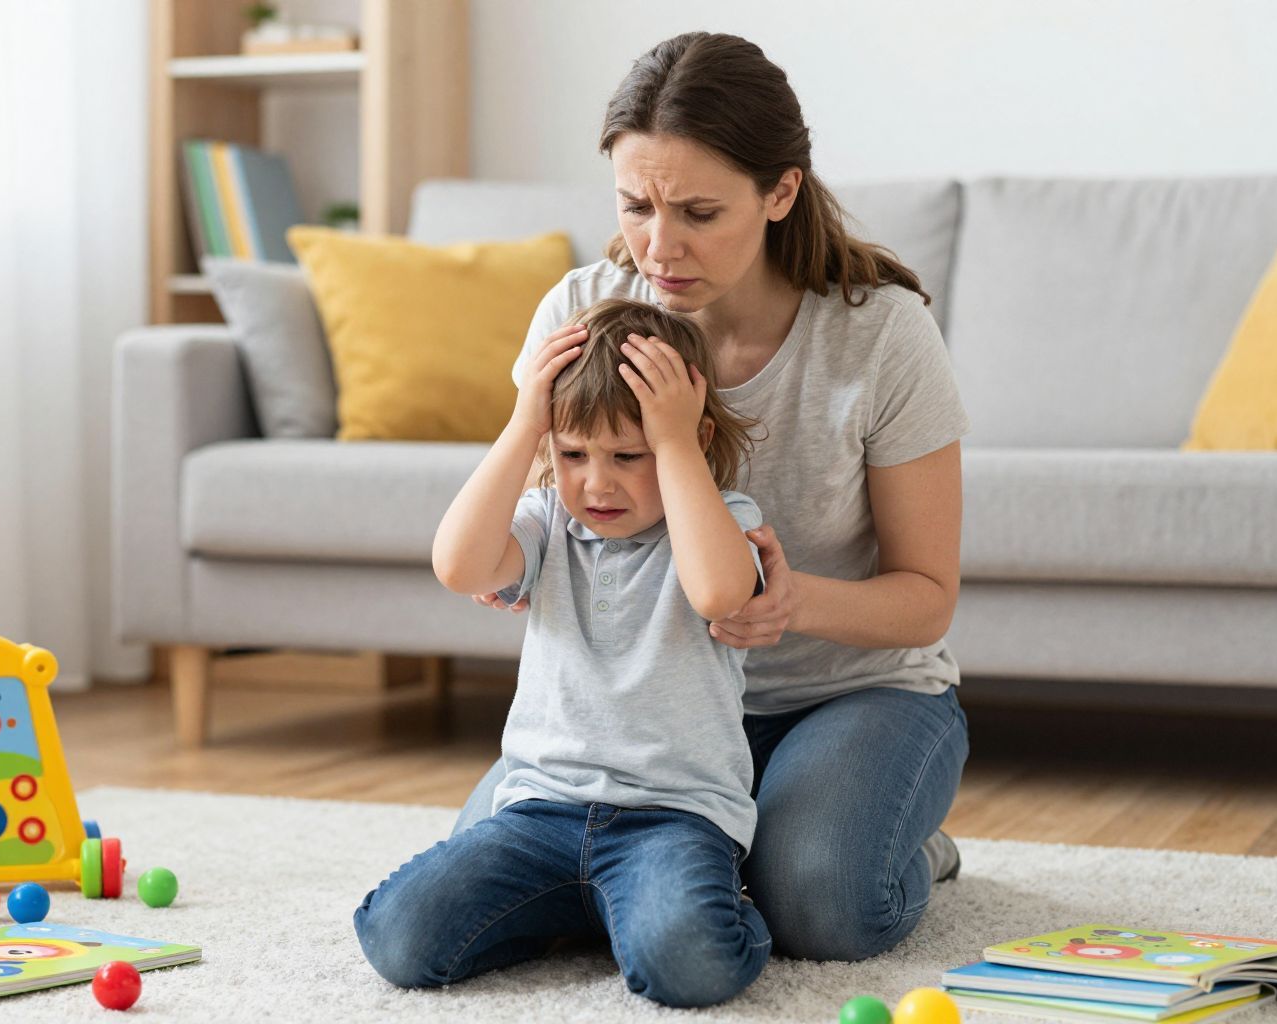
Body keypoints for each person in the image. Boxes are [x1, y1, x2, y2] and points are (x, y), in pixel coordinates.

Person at [457, 30, 972, 963]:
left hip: (848, 695)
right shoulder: (584, 314)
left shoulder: (881, 336)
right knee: (481, 869)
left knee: (817, 903)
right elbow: (547, 518)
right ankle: (708, 854)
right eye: (636, 205)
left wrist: (792, 603)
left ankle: (903, 845)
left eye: (698, 212)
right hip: (644, 722)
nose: (659, 246)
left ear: (781, 191)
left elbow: (927, 596)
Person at [354, 298, 772, 1007]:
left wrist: (673, 448)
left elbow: (718, 593)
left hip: (670, 820)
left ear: (692, 439)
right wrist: (525, 424)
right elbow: (458, 566)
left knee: (689, 964)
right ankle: (586, 914)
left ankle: (722, 906)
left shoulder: (723, 521)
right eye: (573, 454)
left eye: (627, 456)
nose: (597, 483)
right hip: (539, 813)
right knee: (398, 937)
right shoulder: (547, 521)